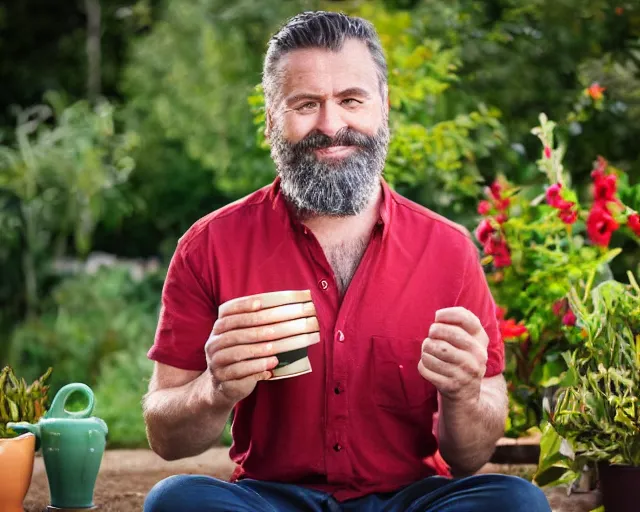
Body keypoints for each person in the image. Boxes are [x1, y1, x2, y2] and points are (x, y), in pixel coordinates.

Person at [143, 11, 550, 512]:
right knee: (176, 502)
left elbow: (471, 457)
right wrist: (214, 389)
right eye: (306, 104)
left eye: (351, 100)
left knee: (516, 502)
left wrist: (464, 396)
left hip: (412, 501)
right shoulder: (210, 246)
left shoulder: (448, 250)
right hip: (270, 501)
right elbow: (165, 435)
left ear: (383, 107)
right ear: (272, 118)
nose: (332, 125)